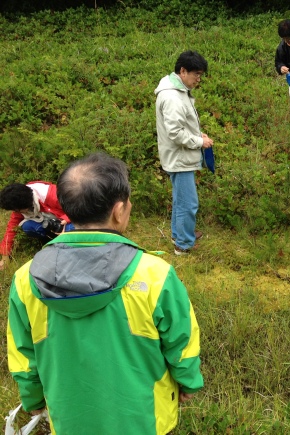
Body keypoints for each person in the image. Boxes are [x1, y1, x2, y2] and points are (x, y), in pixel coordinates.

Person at [7, 153, 203, 434]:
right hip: (144, 419)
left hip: (70, 418)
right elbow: (181, 342)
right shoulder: (154, 274)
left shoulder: (24, 278)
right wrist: (188, 382)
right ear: (119, 210)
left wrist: (32, 397)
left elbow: (22, 353)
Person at [155, 50, 214, 255]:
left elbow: (181, 125)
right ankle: (183, 244)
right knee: (188, 203)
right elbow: (175, 133)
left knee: (180, 199)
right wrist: (199, 141)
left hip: (179, 156)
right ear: (182, 71)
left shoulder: (178, 90)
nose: (199, 79)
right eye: (196, 74)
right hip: (179, 158)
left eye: (201, 75)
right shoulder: (172, 97)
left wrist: (198, 133)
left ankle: (179, 233)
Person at [0, 182, 74, 270]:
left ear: (25, 205)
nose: (16, 212)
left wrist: (65, 219)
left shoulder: (52, 194)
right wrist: (5, 256)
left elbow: (78, 206)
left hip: (70, 219)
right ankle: (51, 241)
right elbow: (11, 228)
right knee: (28, 226)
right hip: (51, 222)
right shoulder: (20, 201)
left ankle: (65, 243)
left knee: (70, 229)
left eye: (17, 210)